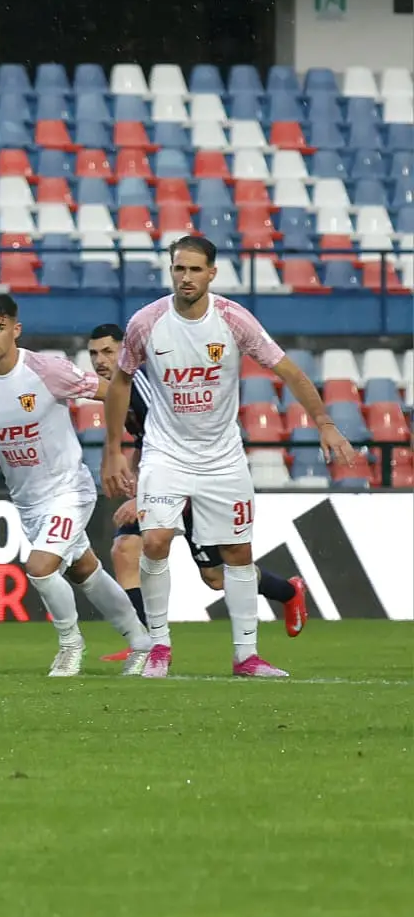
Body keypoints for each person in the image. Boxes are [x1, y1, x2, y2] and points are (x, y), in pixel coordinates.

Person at [101, 236, 359, 678]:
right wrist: (112, 453)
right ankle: (159, 647)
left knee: (237, 553)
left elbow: (288, 371)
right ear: (171, 271)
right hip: (167, 453)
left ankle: (246, 656)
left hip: (223, 458)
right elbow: (121, 382)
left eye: (195, 270)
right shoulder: (147, 323)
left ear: (211, 274)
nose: (186, 277)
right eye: (179, 269)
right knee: (155, 540)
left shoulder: (233, 320)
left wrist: (325, 423)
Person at [0, 295, 151, 676]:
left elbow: (115, 391)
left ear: (15, 330)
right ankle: (142, 642)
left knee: (40, 567)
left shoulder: (46, 370)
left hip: (69, 489)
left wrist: (119, 447)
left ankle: (71, 645)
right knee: (84, 570)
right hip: (28, 501)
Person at [86, 323, 309, 669]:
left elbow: (168, 441)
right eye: (94, 354)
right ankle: (146, 643)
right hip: (166, 475)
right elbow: (147, 440)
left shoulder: (143, 384)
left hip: (196, 474)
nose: (100, 360)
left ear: (126, 352)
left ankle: (289, 592)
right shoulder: (121, 390)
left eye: (108, 351)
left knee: (216, 577)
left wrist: (141, 494)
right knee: (126, 548)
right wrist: (132, 472)